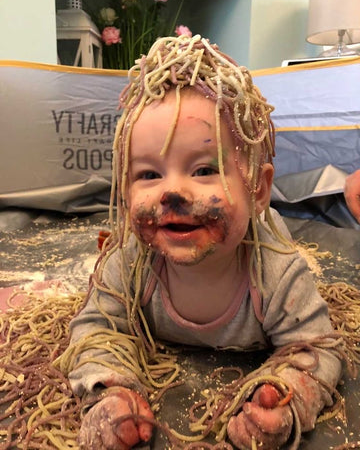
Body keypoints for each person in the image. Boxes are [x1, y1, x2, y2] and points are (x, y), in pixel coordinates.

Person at [62, 35, 344, 450]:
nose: (172, 194)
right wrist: (109, 390)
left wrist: (286, 394)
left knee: (276, 229)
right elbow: (95, 328)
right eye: (148, 175)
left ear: (258, 188)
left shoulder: (278, 275)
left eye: (204, 169)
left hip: (267, 233)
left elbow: (319, 349)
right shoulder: (128, 264)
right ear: (123, 190)